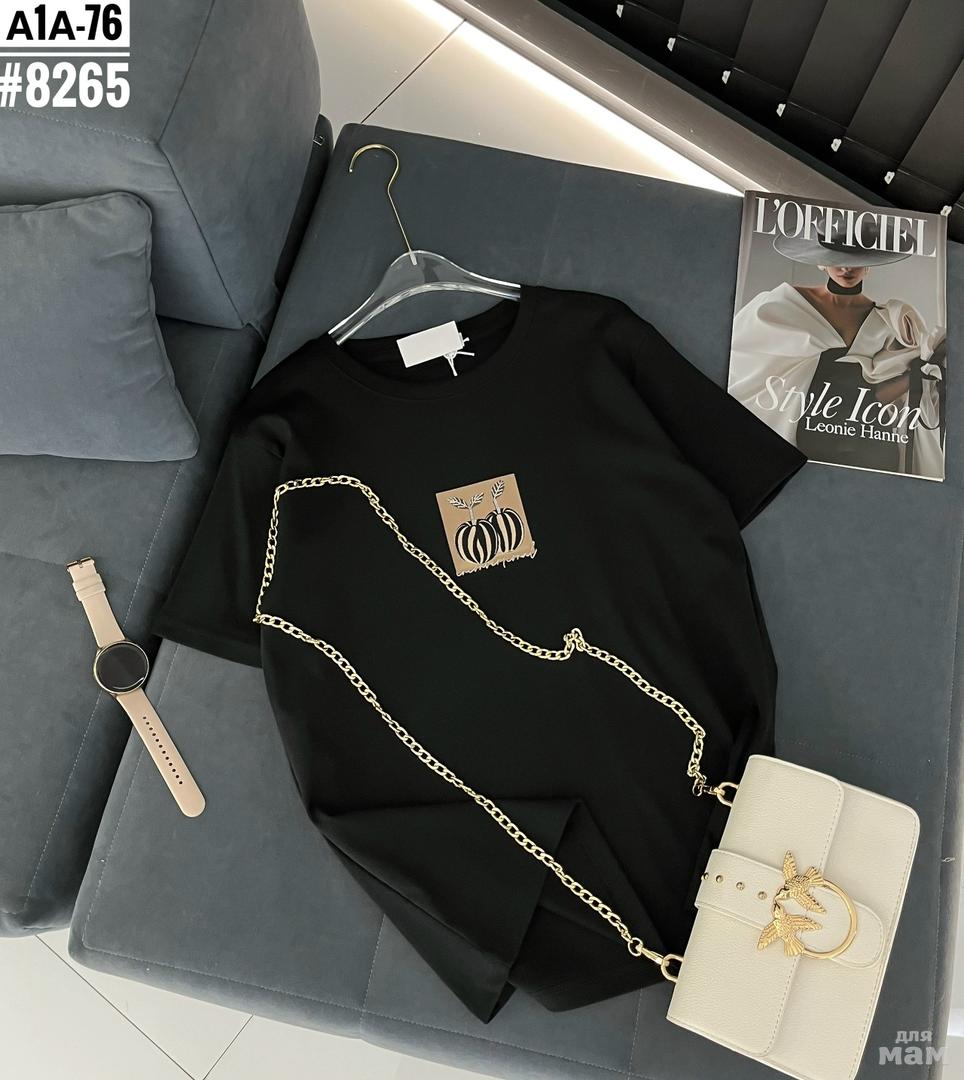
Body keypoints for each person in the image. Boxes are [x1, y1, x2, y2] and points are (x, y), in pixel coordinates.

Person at [729, 213, 945, 477]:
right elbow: (741, 369)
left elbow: (879, 395)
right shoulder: (783, 305)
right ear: (821, 262)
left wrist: (925, 371)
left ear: (869, 265)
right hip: (809, 441)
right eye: (837, 259)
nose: (846, 269)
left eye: (857, 260)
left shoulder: (890, 321)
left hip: (872, 445)